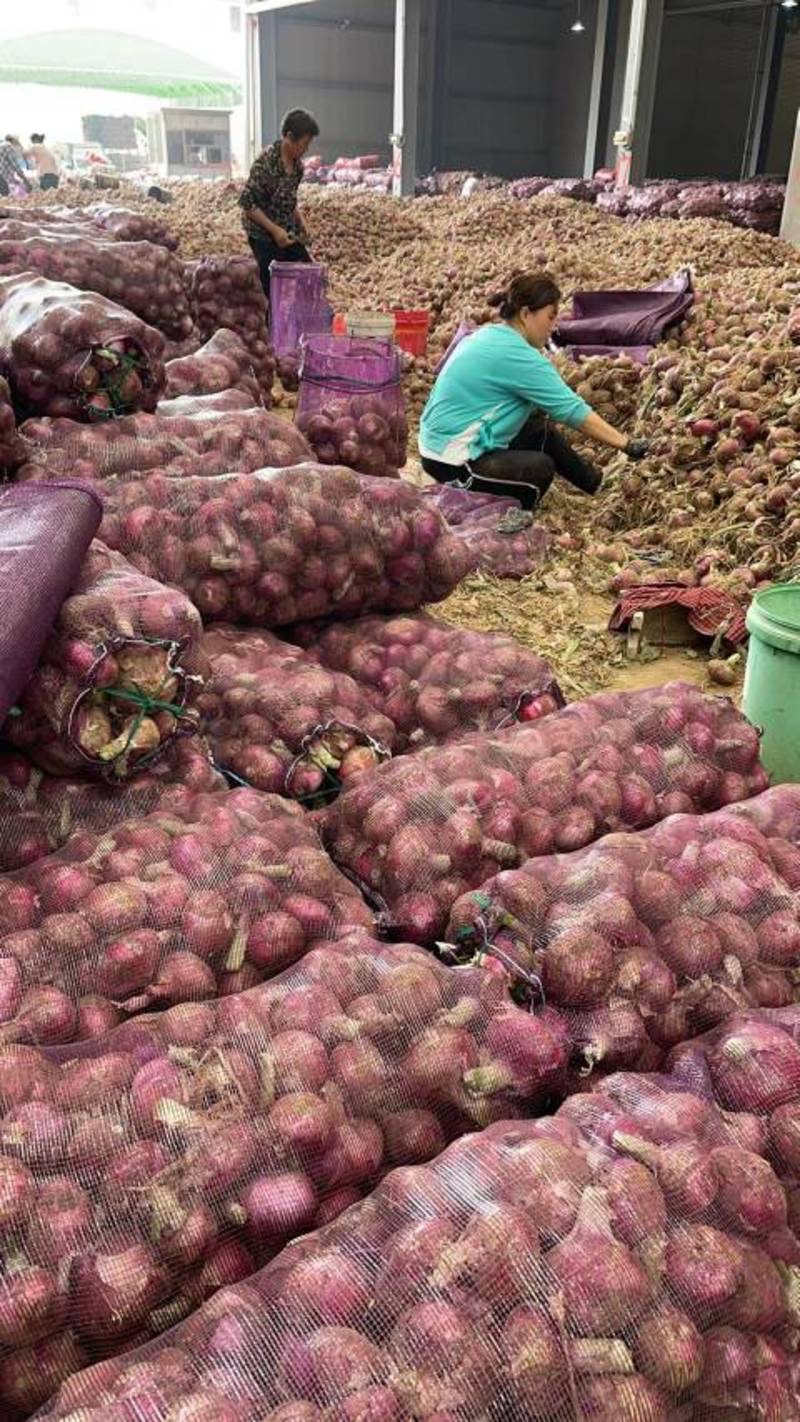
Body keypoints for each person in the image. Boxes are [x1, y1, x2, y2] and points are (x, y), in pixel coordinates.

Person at [419, 272, 648, 510]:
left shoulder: (488, 334)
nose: (553, 326)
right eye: (550, 317)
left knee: (540, 430)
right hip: (454, 463)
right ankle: (515, 515)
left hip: (434, 450)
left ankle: (596, 484)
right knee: (539, 468)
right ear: (526, 314)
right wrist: (626, 444)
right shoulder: (519, 356)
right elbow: (572, 411)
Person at [239, 108, 319, 300]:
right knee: (274, 286)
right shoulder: (265, 163)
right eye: (304, 144)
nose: (306, 150)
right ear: (289, 137)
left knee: (309, 274)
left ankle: (306, 318)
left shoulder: (297, 166)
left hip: (286, 232)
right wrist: (274, 230)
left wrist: (302, 223)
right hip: (263, 234)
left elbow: (289, 200)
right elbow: (247, 204)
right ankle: (274, 325)